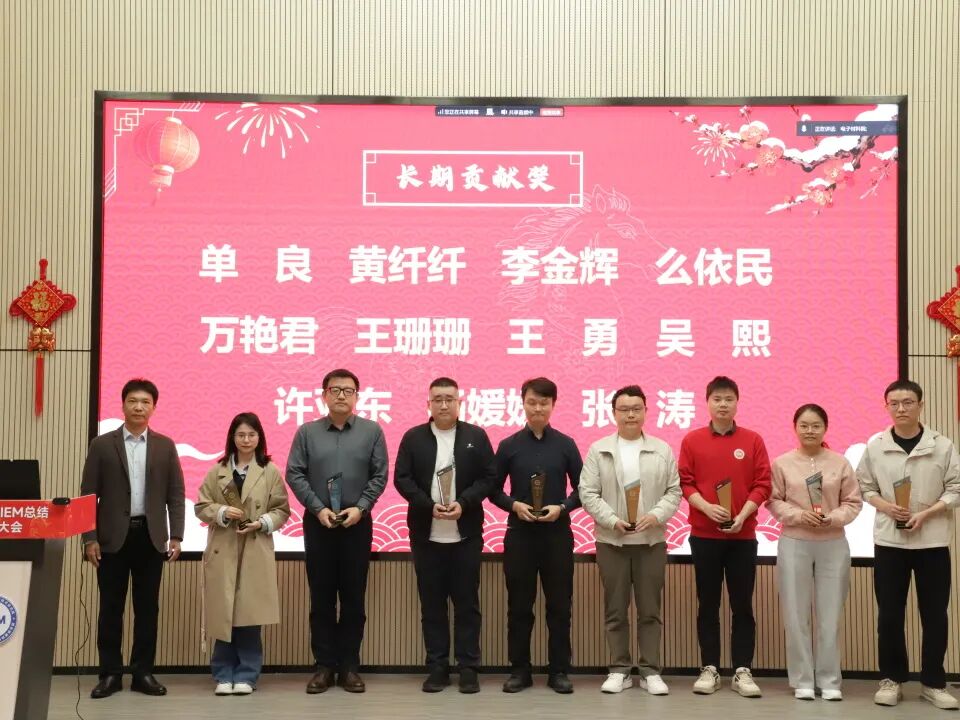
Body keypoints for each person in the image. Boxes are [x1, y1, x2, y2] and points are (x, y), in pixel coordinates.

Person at [857, 380, 960, 710]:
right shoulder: (876, 446)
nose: (901, 408)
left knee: (935, 615)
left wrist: (928, 513)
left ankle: (933, 682)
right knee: (889, 614)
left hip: (932, 541)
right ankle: (892, 679)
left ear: (921, 405)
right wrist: (886, 507)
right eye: (895, 403)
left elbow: (956, 487)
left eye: (908, 402)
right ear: (886, 406)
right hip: (890, 542)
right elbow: (865, 487)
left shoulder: (941, 445)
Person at [80, 378, 185, 699]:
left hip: (150, 538)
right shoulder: (102, 444)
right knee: (111, 609)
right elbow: (88, 494)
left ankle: (143, 673)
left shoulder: (165, 445)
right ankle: (110, 674)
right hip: (111, 539)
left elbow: (176, 494)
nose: (139, 407)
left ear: (154, 407)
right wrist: (89, 538)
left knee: (147, 609)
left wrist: (177, 535)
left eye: (145, 402)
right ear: (123, 404)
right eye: (133, 401)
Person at [285, 368, 388, 694]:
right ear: (324, 395)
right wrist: (318, 509)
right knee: (322, 599)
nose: (342, 395)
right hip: (319, 524)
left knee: (354, 599)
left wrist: (361, 508)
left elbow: (380, 475)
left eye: (348, 390)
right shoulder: (307, 432)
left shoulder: (372, 431)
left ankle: (349, 668)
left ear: (357, 396)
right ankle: (324, 667)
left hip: (357, 523)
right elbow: (294, 473)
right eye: (335, 390)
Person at [394, 377, 497, 694]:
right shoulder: (414, 438)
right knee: (432, 606)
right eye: (437, 399)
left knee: (467, 605)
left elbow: (489, 477)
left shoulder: (476, 436)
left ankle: (468, 668)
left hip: (465, 536)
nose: (443, 404)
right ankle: (437, 667)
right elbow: (402, 479)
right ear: (428, 403)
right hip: (427, 536)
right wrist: (429, 506)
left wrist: (464, 503)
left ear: (459, 403)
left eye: (449, 399)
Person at [580, 384, 681, 695]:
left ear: (646, 412)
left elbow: (674, 491)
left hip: (651, 542)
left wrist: (656, 515)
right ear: (613, 413)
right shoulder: (599, 449)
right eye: (624, 409)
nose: (630, 414)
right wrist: (612, 520)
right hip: (612, 542)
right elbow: (587, 492)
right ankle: (620, 669)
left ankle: (650, 671)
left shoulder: (662, 449)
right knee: (615, 611)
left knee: (650, 611)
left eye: (636, 408)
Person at [678, 375, 771, 698]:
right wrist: (705, 507)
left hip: (743, 537)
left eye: (729, 399)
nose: (723, 404)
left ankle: (742, 670)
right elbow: (685, 482)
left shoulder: (753, 440)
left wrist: (743, 514)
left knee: (742, 605)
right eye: (717, 399)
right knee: (708, 604)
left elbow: (763, 483)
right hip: (704, 536)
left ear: (737, 402)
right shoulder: (692, 440)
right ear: (707, 402)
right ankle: (710, 668)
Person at [491, 377, 582, 694]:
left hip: (557, 535)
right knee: (519, 607)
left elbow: (583, 488)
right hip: (520, 536)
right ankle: (520, 670)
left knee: (560, 607)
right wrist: (513, 505)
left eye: (544, 403)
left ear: (554, 405)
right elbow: (492, 489)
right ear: (523, 403)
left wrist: (563, 507)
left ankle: (559, 671)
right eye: (532, 402)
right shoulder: (509, 445)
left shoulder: (566, 444)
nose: (538, 408)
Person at [766, 404, 861, 701]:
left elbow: (853, 502)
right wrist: (797, 515)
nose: (810, 430)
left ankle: (830, 680)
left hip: (833, 543)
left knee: (829, 616)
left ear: (825, 428)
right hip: (795, 542)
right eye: (804, 425)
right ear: (795, 428)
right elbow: (773, 501)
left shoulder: (840, 463)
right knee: (796, 615)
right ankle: (803, 680)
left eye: (816, 425)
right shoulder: (782, 463)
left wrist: (833, 518)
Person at [194, 412, 290, 695]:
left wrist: (262, 523)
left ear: (259, 438)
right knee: (224, 613)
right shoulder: (218, 470)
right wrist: (222, 512)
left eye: (251, 434)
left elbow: (282, 509)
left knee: (250, 614)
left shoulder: (269, 471)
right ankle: (223, 674)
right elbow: (201, 506)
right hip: (224, 547)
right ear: (232, 438)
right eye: (241, 435)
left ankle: (247, 675)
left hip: (255, 547)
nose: (246, 440)